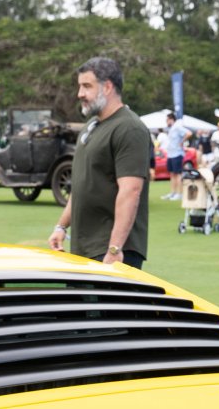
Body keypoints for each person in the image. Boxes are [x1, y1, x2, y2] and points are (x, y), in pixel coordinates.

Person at [48, 56, 151, 269]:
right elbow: (81, 186)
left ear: (108, 87)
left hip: (112, 252)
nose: (80, 94)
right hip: (84, 249)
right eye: (79, 86)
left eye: (87, 86)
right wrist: (61, 227)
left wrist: (114, 249)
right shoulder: (91, 126)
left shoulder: (129, 128)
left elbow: (130, 191)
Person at [162, 113, 188, 200]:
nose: (166, 122)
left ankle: (179, 193)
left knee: (178, 174)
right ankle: (173, 192)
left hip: (177, 154)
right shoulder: (171, 128)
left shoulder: (177, 127)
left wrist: (181, 142)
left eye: (167, 120)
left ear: (171, 119)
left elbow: (188, 133)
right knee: (172, 174)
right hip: (171, 154)